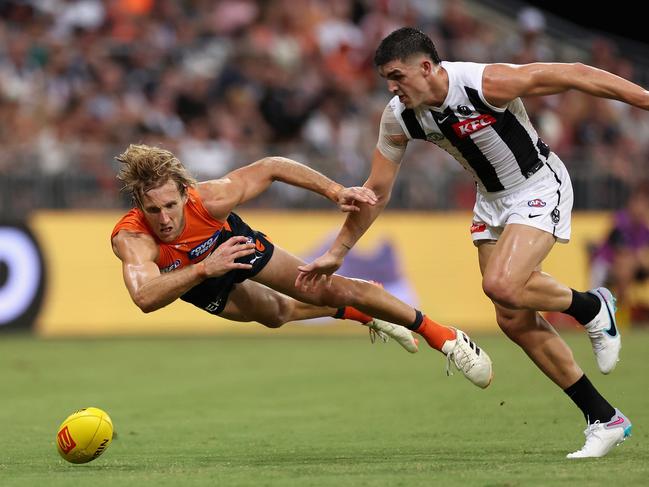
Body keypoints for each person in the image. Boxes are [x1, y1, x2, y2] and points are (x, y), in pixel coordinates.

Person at [297, 27, 640, 458]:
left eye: (397, 75)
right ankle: (604, 418)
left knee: (501, 285)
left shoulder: (484, 83)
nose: (391, 87)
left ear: (426, 67)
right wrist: (338, 251)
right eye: (387, 78)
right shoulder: (399, 116)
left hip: (537, 184)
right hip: (490, 202)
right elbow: (377, 192)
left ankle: (593, 307)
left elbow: (572, 73)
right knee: (512, 318)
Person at [110, 144, 493, 388]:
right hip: (194, 278)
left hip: (233, 244)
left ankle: (445, 337)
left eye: (170, 205)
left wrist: (335, 191)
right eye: (153, 209)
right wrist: (202, 269)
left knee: (325, 288)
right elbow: (144, 297)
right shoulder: (132, 238)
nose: (163, 218)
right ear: (139, 207)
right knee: (276, 315)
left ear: (184, 192)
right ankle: (364, 312)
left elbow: (273, 166)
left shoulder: (210, 199)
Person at [591, 182, 649, 320]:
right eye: (639, 203)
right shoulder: (620, 220)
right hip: (605, 264)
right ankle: (618, 311)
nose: (641, 208)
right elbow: (621, 252)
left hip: (629, 267)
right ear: (632, 203)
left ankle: (620, 311)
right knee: (625, 265)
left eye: (645, 205)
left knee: (627, 266)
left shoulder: (644, 228)